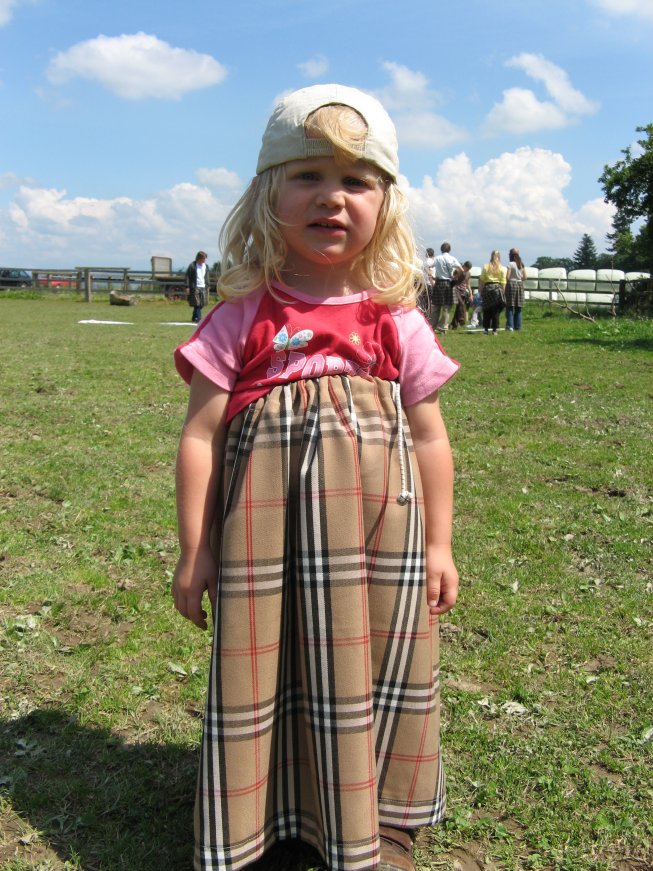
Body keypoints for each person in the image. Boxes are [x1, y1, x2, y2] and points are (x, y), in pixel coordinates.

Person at [172, 84, 460, 871]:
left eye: (355, 180)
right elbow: (199, 435)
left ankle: (381, 814)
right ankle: (263, 815)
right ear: (266, 195)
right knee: (268, 667)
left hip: (379, 545)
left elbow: (431, 440)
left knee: (374, 665)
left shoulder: (394, 317)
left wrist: (439, 543)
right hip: (264, 544)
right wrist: (193, 548)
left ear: (385, 203)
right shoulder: (241, 313)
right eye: (305, 175)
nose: (330, 197)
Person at [431, 242, 461, 333]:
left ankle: (432, 326)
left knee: (436, 306)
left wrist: (433, 276)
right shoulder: (452, 258)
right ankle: (443, 327)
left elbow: (428, 266)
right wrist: (455, 276)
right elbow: (461, 269)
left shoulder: (437, 258)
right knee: (446, 307)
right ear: (449, 250)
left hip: (439, 283)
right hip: (448, 283)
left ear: (441, 249)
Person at [478, 250, 507, 335]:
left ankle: (486, 330)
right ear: (499, 256)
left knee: (486, 309)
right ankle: (495, 330)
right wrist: (503, 292)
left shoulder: (486, 266)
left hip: (487, 288)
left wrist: (480, 291)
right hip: (497, 289)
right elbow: (503, 281)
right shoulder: (502, 268)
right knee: (496, 311)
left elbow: (482, 280)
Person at [186, 250, 210, 323]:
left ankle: (194, 316)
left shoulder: (206, 266)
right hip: (194, 286)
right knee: (197, 303)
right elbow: (187, 276)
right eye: (203, 258)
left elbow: (207, 277)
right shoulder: (192, 265)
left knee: (202, 303)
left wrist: (208, 285)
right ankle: (199, 318)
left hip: (203, 286)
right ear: (199, 258)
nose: (204, 260)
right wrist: (187, 287)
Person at [505, 247, 526, 331]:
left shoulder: (510, 264)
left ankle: (510, 326)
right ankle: (518, 326)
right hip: (520, 285)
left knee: (510, 306)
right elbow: (525, 277)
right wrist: (519, 279)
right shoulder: (521, 264)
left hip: (511, 285)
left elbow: (507, 277)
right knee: (518, 307)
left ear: (511, 255)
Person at [449, 260, 472, 329]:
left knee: (458, 307)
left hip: (463, 291)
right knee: (461, 304)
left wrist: (471, 294)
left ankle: (454, 324)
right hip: (456, 289)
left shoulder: (468, 273)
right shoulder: (458, 270)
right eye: (466, 268)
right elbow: (453, 278)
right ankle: (461, 319)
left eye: (468, 269)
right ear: (464, 266)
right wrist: (459, 272)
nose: (467, 270)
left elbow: (468, 284)